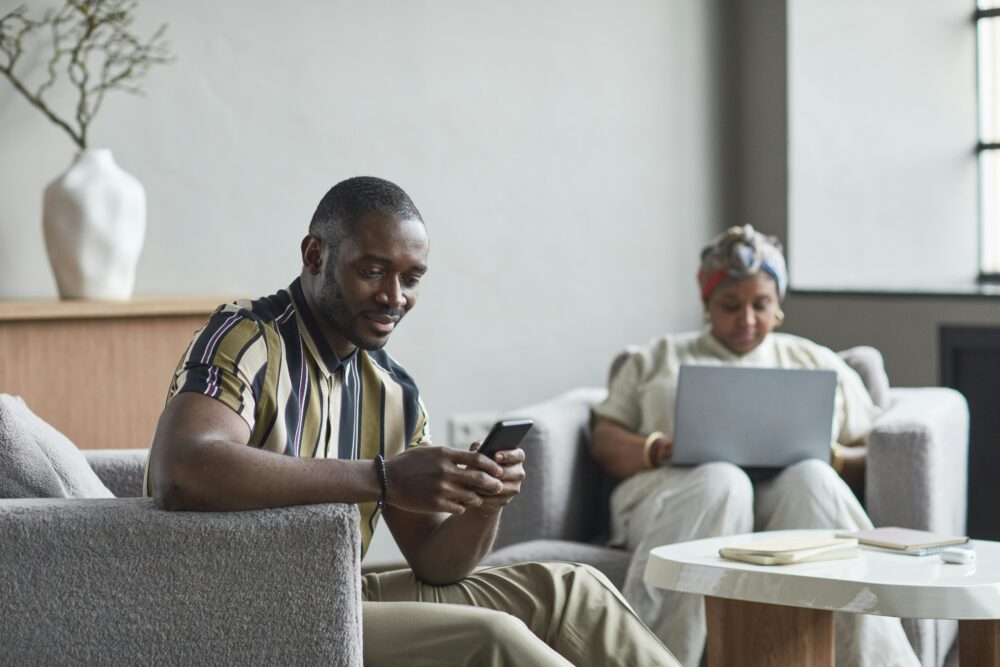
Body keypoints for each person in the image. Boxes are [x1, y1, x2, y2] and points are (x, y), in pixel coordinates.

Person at [144, 176, 679, 667]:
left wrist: (484, 505)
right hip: (232, 614)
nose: (394, 297)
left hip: (333, 592)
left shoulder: (393, 392)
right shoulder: (247, 335)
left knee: (572, 592)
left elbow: (435, 562)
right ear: (315, 254)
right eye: (372, 271)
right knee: (493, 638)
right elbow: (184, 468)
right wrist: (384, 478)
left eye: (411, 278)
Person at [590, 225, 920, 667]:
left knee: (814, 478)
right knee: (721, 481)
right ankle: (647, 660)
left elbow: (872, 453)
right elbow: (605, 440)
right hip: (679, 496)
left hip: (786, 506)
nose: (746, 319)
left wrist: (833, 457)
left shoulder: (815, 362)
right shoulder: (657, 357)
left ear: (778, 305)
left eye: (760, 305)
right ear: (707, 304)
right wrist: (661, 449)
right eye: (730, 306)